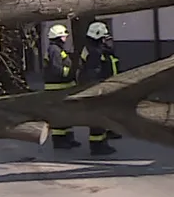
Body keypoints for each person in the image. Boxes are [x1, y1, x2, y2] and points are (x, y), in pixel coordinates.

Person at [78, 21, 121, 155]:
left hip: (98, 87)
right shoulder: (95, 52)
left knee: (100, 117)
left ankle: (101, 142)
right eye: (103, 37)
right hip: (97, 88)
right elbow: (94, 72)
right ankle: (97, 146)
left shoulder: (91, 48)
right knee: (98, 118)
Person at [44, 23, 81, 149]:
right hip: (56, 87)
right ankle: (59, 141)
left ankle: (69, 138)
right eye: (64, 36)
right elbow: (56, 69)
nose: (65, 38)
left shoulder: (58, 49)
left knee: (67, 114)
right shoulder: (54, 50)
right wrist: (70, 72)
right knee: (59, 115)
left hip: (63, 86)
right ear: (58, 37)